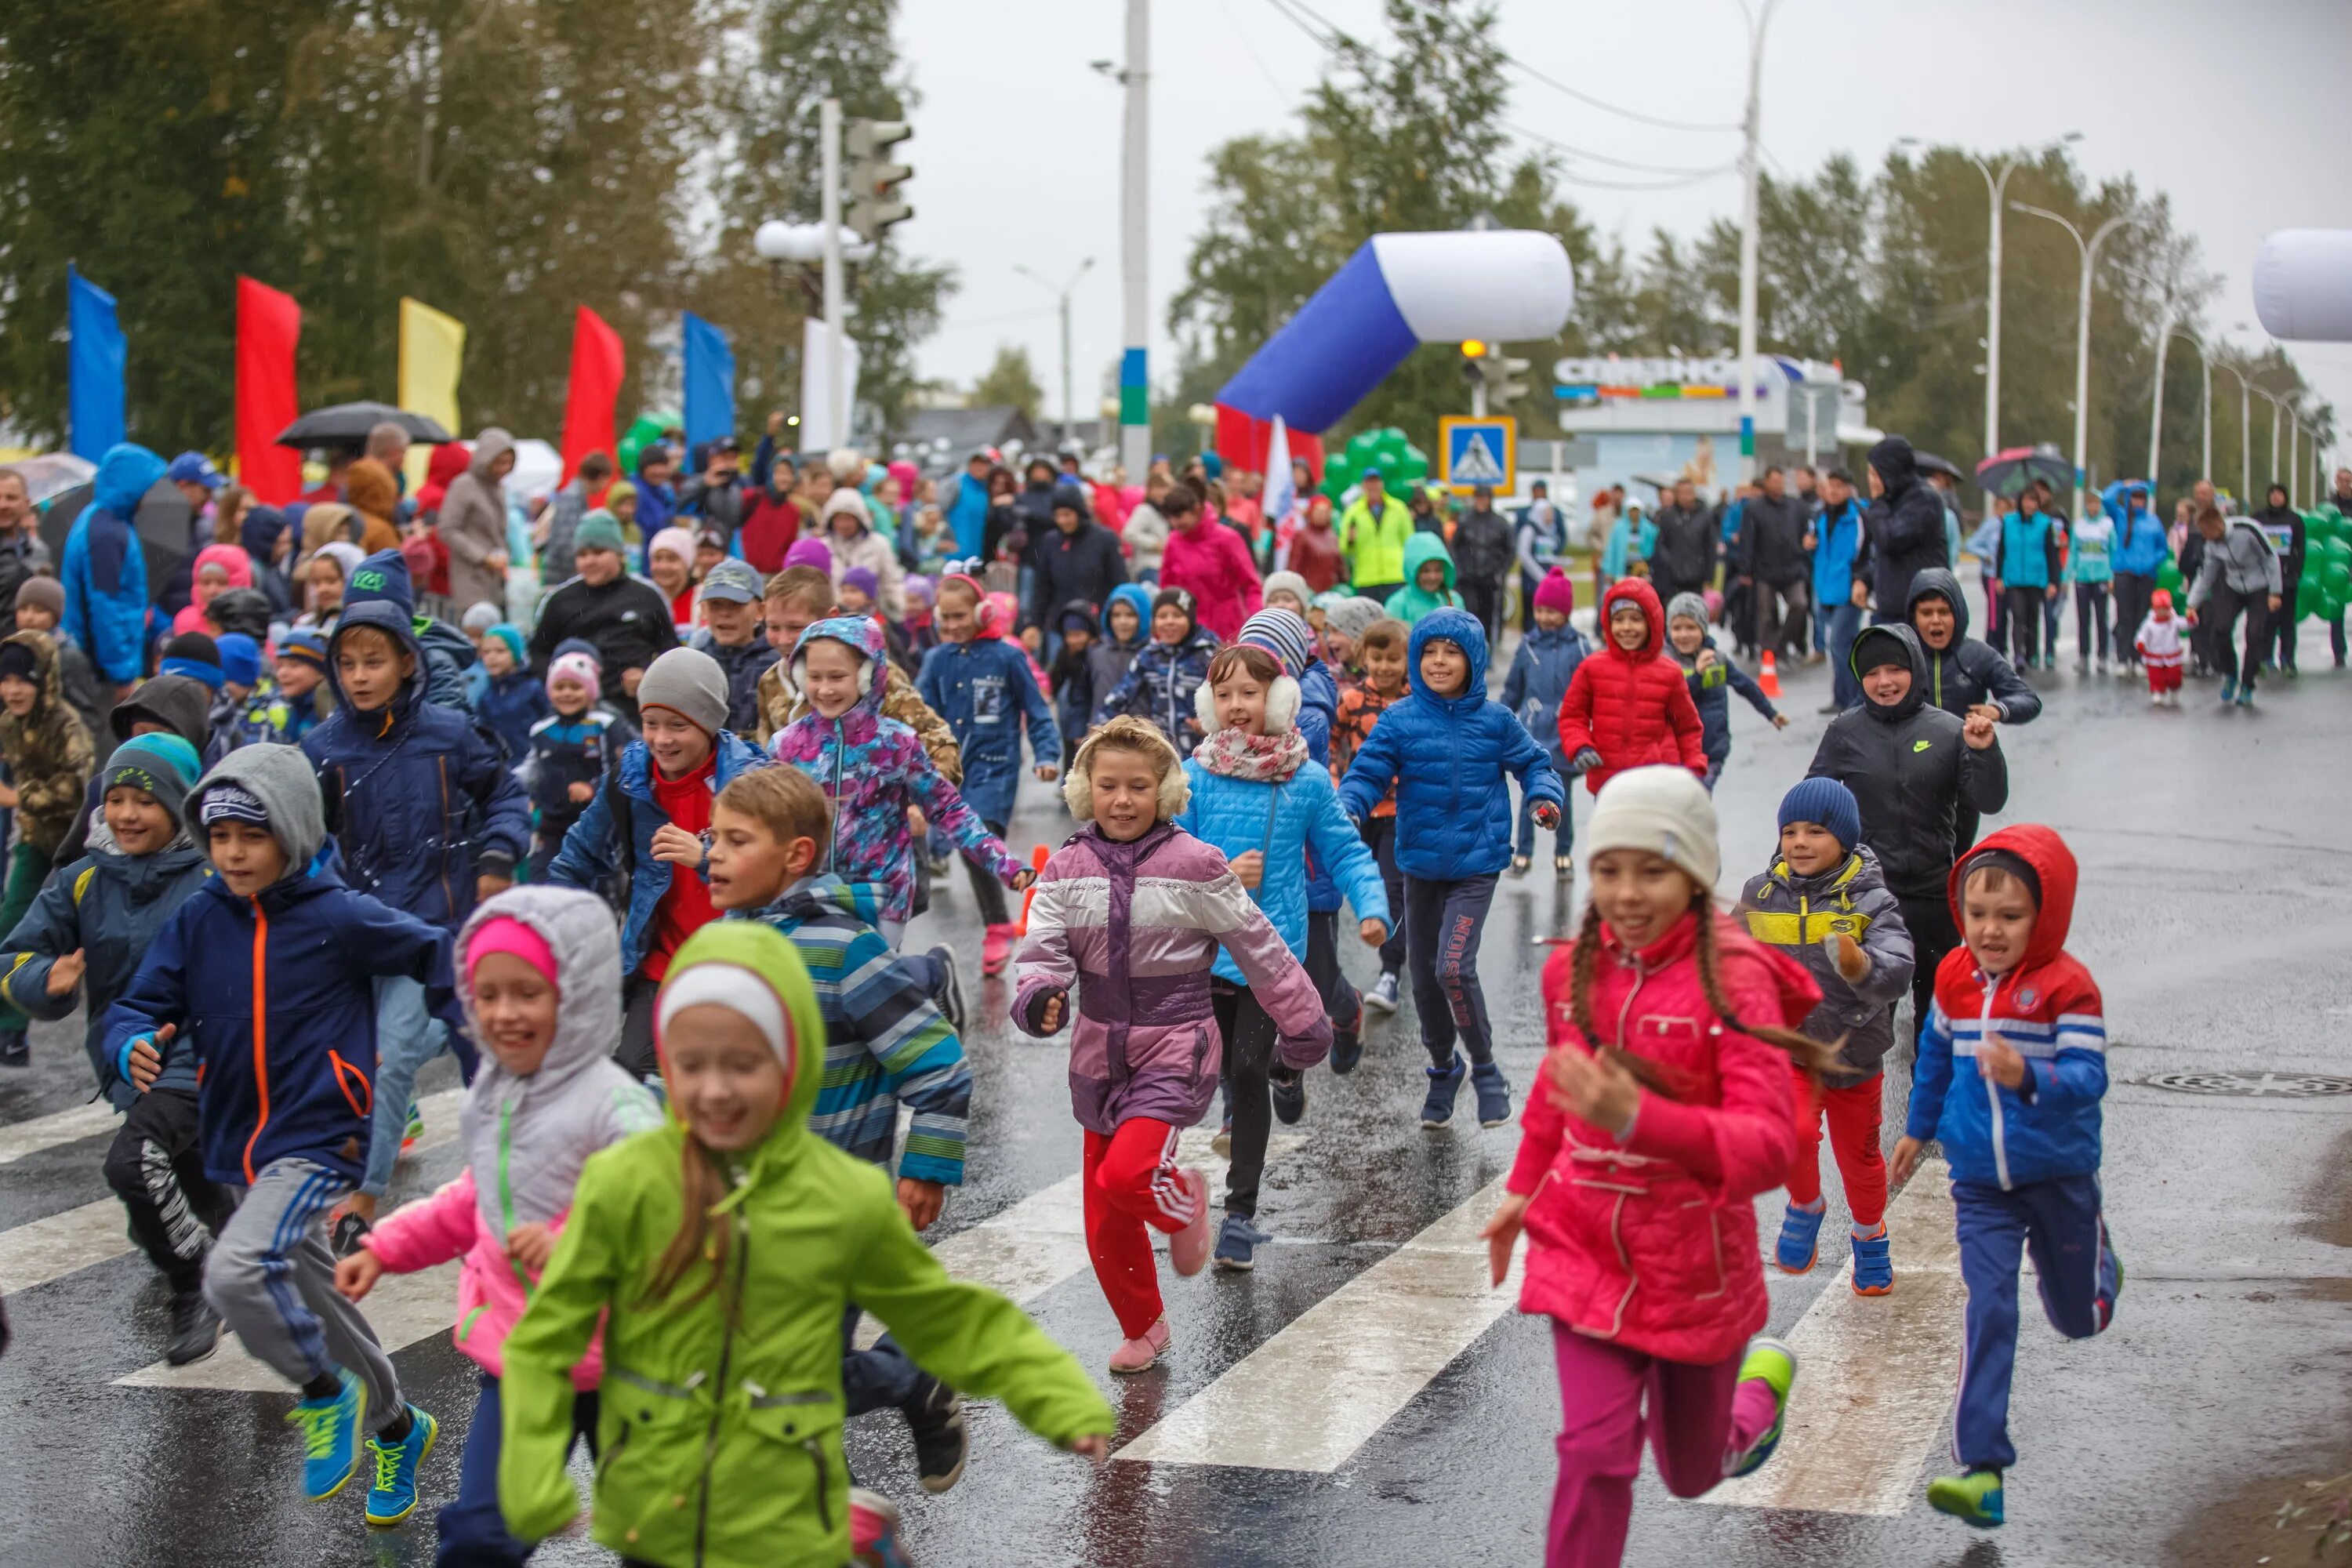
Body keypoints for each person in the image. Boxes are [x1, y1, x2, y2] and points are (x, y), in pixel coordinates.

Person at [494, 920, 1114, 1568]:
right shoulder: (623, 1183)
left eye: (743, 1063)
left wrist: (1054, 1395)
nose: (714, 1088)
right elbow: (548, 1337)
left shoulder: (840, 1197)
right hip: (656, 1517)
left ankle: (851, 1530)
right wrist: (530, 1480)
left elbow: (947, 1316)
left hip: (788, 1520)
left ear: (794, 1063)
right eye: (690, 1063)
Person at [105, 745, 464, 1527]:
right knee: (316, 1292)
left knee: (233, 1275)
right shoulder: (200, 918)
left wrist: (477, 1040)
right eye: (221, 835)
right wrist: (129, 1037)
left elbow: (439, 954)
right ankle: (400, 1426)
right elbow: (141, 1001)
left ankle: (322, 1391)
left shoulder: (338, 916)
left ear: (293, 834)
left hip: (318, 1134)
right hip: (239, 1139)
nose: (233, 853)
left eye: (252, 836)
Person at [1481, 766, 1818, 1568]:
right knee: (1593, 1452)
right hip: (1585, 1241)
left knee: (1693, 1470)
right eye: (1608, 868)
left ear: (1696, 874)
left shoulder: (1734, 981)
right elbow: (1559, 1094)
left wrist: (1639, 1118)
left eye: (1653, 870)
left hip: (1692, 1259)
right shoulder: (1574, 969)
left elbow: (1772, 1140)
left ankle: (1756, 1398)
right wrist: (1523, 1187)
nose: (1626, 893)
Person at [336, 887, 662, 1563]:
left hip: (628, 1355)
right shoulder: (497, 1092)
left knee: (656, 1539)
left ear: (575, 995)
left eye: (528, 993)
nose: (505, 1014)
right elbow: (476, 1197)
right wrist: (386, 1246)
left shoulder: (616, 1106)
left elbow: (655, 1204)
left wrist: (574, 1238)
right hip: (522, 1354)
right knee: (482, 1533)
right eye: (487, 995)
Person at [1016, 717, 1329, 1365]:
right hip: (1099, 1056)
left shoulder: (1196, 865)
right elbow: (1041, 953)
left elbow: (1261, 950)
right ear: (1085, 790)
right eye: (1108, 786)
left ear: (1164, 792)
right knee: (1103, 1212)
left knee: (1130, 1174)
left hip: (1175, 1046)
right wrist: (1039, 997)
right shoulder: (1067, 868)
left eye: (1138, 786)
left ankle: (1185, 1202)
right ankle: (1145, 1326)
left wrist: (1305, 1027)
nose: (1122, 800)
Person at [701, 766, 976, 1494]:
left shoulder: (845, 949)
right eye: (711, 839)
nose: (713, 856)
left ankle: (903, 1380)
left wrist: (926, 1167)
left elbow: (938, 1065)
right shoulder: (719, 947)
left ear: (795, 855)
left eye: (735, 841)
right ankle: (907, 1381)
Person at [1892, 826, 2120, 1529]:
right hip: (1979, 1181)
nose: (1991, 931)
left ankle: (2098, 1266)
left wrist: (2028, 1077)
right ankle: (1982, 1470)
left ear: (2043, 917)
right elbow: (1931, 1056)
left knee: (2075, 1320)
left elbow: (2089, 1078)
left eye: (2011, 916)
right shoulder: (1956, 979)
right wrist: (1918, 1128)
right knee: (1989, 1308)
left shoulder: (2068, 988)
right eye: (1978, 913)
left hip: (2057, 1174)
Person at [303, 550, 528, 1236]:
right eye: (348, 663)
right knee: (396, 1053)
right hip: (361, 931)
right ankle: (373, 1184)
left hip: (442, 925)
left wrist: (496, 857)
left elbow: (507, 797)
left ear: (407, 659)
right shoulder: (323, 746)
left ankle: (380, 1195)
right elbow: (299, 831)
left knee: (436, 1054)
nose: (360, 676)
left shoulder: (450, 734)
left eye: (375, 660)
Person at [1, 734, 224, 1354]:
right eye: (116, 799)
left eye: (145, 802)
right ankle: (251, 1275)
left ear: (181, 808)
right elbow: (16, 953)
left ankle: (193, 1285)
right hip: (130, 1062)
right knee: (190, 1192)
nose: (126, 814)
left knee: (133, 1166)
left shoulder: (216, 874)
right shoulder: (82, 879)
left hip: (203, 1060)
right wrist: (43, 981)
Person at [1178, 644, 1386, 1267]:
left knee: (1245, 1072)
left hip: (1271, 952)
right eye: (1224, 694)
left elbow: (1346, 852)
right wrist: (1218, 870)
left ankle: (1239, 1216)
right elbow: (1166, 854)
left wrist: (1372, 907)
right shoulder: (1193, 775)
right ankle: (1286, 1074)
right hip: (1202, 951)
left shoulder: (1306, 779)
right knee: (1218, 1067)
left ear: (1279, 699)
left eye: (1249, 692)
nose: (1236, 705)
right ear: (1208, 705)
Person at [1338, 608, 1563, 1129]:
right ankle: (1444, 1068)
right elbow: (1368, 770)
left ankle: (1486, 1070)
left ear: (1473, 659)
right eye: (1430, 652)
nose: (1439, 662)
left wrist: (1543, 799)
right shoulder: (1400, 720)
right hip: (1419, 864)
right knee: (1424, 981)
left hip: (1475, 865)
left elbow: (1534, 763)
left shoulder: (1496, 721)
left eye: (1452, 652)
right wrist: (1350, 805)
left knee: (1453, 967)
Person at [544, 647, 760, 1075]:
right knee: (632, 1074)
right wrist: (555, 927)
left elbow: (781, 877)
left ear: (709, 723)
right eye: (650, 723)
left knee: (724, 1088)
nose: (662, 739)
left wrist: (706, 858)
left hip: (739, 963)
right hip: (662, 962)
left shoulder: (751, 780)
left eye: (678, 726)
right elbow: (575, 860)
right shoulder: (631, 777)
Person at [1737, 777, 1915, 1296]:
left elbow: (1899, 967)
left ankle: (1869, 1234)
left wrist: (1861, 965)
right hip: (1789, 1051)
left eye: (1815, 831)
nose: (1799, 842)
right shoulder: (1761, 894)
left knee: (1859, 1160)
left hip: (1854, 1054)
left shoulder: (1871, 899)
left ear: (1843, 837)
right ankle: (1806, 1205)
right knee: (1788, 1135)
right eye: (1790, 831)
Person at [773, 617, 1031, 945]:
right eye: (814, 677)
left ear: (867, 677)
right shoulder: (787, 746)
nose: (825, 689)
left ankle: (932, 976)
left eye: (837, 677)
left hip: (882, 895)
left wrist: (1002, 862)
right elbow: (762, 819)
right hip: (809, 893)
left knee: (868, 988)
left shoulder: (896, 743)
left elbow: (949, 810)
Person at [1807, 622, 2006, 1039]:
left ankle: (1926, 1104)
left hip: (1936, 897)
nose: (1884, 682)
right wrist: (1785, 878)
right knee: (1865, 1025)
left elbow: (1988, 801)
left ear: (1914, 668)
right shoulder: (1845, 732)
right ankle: (1869, 1106)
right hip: (1871, 899)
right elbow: (1810, 810)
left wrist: (1986, 753)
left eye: (1895, 670)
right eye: (1872, 673)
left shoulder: (1949, 730)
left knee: (1937, 1027)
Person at [916, 575, 1062, 973]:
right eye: (945, 618)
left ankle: (997, 926)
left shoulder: (1008, 658)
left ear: (982, 613)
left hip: (995, 769)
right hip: (951, 771)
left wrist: (1046, 755)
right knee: (970, 847)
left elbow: (1037, 712)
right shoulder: (936, 660)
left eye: (960, 616)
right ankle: (997, 921)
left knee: (977, 840)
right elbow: (917, 715)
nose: (952, 625)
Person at [0, 630, 94, 1064]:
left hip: (81, 844)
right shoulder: (9, 723)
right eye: (6, 680)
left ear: (44, 682)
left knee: (98, 939)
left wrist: (21, 797)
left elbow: (78, 786)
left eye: (23, 680)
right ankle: (11, 1033)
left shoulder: (66, 724)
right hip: (36, 841)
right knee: (11, 926)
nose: (13, 690)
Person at [1903, 567, 2038, 850]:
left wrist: (1998, 710)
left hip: (1962, 777)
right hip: (1910, 774)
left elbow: (2028, 700)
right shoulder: (1901, 657)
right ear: (1914, 618)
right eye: (1927, 613)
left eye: (1944, 612)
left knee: (1956, 855)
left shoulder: (1977, 655)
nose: (1936, 621)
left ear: (1958, 614)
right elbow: (1862, 707)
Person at [1555, 579, 1707, 797]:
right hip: (1608, 783)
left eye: (1636, 619)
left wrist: (1693, 769)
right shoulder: (1592, 668)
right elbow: (1572, 716)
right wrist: (1580, 745)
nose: (1626, 627)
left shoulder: (1669, 673)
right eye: (1618, 619)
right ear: (1608, 623)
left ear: (1652, 622)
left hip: (1657, 783)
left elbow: (1686, 728)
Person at [526, 510, 680, 723]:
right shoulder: (560, 600)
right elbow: (538, 652)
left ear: (619, 553)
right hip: (576, 713)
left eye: (598, 552)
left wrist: (648, 676)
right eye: (582, 554)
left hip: (634, 710)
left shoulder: (647, 596)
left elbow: (671, 652)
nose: (589, 561)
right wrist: (561, 684)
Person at [1332, 618, 1412, 1008]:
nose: (1384, 667)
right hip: (1360, 811)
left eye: (1393, 659)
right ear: (1364, 657)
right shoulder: (1350, 701)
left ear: (1407, 661)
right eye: (1376, 658)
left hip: (1402, 811)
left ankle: (1390, 972)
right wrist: (1335, 784)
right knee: (1358, 887)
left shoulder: (1415, 702)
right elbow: (1332, 745)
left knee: (1390, 888)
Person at [1500, 568, 1588, 876]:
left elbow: (1592, 690)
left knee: (1561, 796)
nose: (1545, 617)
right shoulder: (1527, 646)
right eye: (1540, 610)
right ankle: (1524, 851)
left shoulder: (1579, 647)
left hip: (1564, 733)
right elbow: (1513, 688)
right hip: (1533, 732)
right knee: (1531, 794)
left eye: (1552, 611)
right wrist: (1499, 718)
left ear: (1565, 612)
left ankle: (1563, 853)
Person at [63, 442, 165, 701]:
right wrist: (121, 674)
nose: (149, 494)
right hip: (100, 671)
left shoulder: (103, 520)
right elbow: (107, 606)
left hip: (99, 664)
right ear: (132, 484)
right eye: (146, 486)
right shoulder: (106, 532)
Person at [1664, 592, 1786, 792]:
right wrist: (1697, 675)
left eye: (1691, 627)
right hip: (1678, 750)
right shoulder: (1667, 663)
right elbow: (1672, 701)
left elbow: (1745, 686)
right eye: (1677, 628)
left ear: (1703, 629)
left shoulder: (1717, 660)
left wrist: (1770, 712)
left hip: (1712, 749)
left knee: (1699, 797)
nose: (1684, 634)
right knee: (1684, 802)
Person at [1094, 586, 1220, 760]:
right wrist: (1101, 726)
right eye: (1162, 616)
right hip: (1162, 752)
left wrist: (1212, 723)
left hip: (1204, 751)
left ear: (1190, 619)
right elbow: (1121, 695)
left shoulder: (1210, 653)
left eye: (1177, 615)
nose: (1169, 622)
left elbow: (1224, 695)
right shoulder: (1149, 656)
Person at [2184, 500, 2283, 708]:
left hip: (2260, 585)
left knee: (2255, 633)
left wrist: (2275, 591)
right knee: (2221, 628)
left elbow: (2271, 558)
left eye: (2207, 531)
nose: (2205, 536)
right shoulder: (2210, 545)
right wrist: (2192, 603)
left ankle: (2248, 683)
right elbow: (2206, 575)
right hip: (2233, 586)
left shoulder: (2247, 530)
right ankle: (2230, 673)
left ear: (2217, 525)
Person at [1851, 437, 1949, 624]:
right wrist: (1864, 579)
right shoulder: (1890, 501)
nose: (1871, 481)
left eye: (1875, 474)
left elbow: (1890, 540)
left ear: (1890, 472)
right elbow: (1879, 552)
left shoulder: (1923, 500)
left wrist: (1878, 502)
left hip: (1920, 611)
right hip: (1888, 609)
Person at [1024, 485, 1127, 651]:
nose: (1062, 521)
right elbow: (1042, 588)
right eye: (1058, 516)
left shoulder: (1105, 539)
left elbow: (1120, 583)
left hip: (1096, 625)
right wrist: (1034, 624)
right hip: (1060, 626)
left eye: (1067, 515)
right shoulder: (1050, 542)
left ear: (1079, 512)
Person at [1160, 479, 1261, 642]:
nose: (1174, 523)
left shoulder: (1227, 538)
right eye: (1170, 518)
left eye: (1178, 516)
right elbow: (1167, 588)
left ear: (1197, 509)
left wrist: (1257, 624)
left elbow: (1251, 585)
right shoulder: (1173, 541)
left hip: (1226, 629)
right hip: (1187, 630)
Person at [688, 558, 778, 735]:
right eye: (716, 604)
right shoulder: (696, 660)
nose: (725, 613)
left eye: (736, 604)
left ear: (760, 611)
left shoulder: (775, 662)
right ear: (704, 610)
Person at [14, 575, 105, 747]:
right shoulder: (12, 651)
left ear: (55, 617)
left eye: (39, 610)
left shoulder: (69, 657)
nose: (29, 617)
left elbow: (87, 718)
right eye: (24, 609)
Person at [1737, 466, 1811, 662]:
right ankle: (1767, 651)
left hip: (1793, 568)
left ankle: (1782, 643)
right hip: (1765, 570)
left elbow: (1808, 532)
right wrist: (1745, 568)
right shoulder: (1754, 509)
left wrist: (1806, 550)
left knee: (1800, 605)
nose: (1778, 485)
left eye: (1781, 481)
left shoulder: (1796, 507)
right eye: (1774, 481)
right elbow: (1747, 539)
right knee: (1765, 614)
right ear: (1766, 482)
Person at [1809, 469, 1867, 711]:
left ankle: (1847, 699)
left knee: (1839, 642)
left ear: (1849, 489)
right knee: (1846, 644)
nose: (1833, 491)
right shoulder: (1821, 516)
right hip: (1826, 589)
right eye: (1829, 486)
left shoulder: (1860, 517)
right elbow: (1820, 552)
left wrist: (1860, 580)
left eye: (1839, 486)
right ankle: (1850, 697)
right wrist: (1808, 546)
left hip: (1849, 589)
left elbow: (1866, 553)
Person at [2103, 481, 2170, 673]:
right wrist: (2122, 486)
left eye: (2141, 498)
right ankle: (2123, 658)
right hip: (2125, 572)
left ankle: (2139, 657)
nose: (2138, 502)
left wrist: (2152, 561)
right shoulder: (2121, 516)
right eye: (2135, 497)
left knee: (2143, 616)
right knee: (2125, 615)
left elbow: (2163, 548)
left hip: (2147, 574)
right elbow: (2106, 499)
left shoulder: (2154, 521)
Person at [1991, 486, 2061, 668]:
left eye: (2034, 501)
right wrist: (1999, 577)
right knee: (2018, 615)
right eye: (2027, 501)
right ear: (2020, 502)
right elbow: (2001, 551)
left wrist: (2054, 582)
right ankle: (2018, 655)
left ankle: (2032, 653)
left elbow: (2052, 554)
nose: (2030, 505)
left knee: (2033, 617)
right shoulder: (2009, 522)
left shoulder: (2045, 524)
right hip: (2014, 578)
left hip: (2036, 578)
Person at [819, 489, 906, 621]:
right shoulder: (823, 547)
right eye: (839, 519)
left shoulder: (879, 544)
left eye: (849, 519)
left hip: (870, 617)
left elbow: (891, 581)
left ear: (860, 519)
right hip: (832, 617)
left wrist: (900, 612)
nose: (844, 524)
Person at [473, 623, 550, 764]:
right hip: (500, 770)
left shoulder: (533, 688)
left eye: (500, 651)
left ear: (516, 653)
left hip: (532, 766)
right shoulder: (487, 696)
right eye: (486, 652)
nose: (492, 657)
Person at [2252, 482, 2306, 676]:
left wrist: (2297, 572)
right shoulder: (2259, 519)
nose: (2276, 497)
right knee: (2266, 621)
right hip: (2264, 579)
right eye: (2272, 494)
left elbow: (2301, 548)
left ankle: (2288, 659)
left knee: (2287, 622)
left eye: (2279, 494)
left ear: (2285, 497)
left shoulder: (2295, 520)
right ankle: (2265, 658)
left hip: (2287, 578)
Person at [1451, 485, 1515, 641]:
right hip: (1469, 578)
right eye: (1479, 498)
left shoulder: (1500, 523)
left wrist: (1501, 573)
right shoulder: (1465, 520)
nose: (1481, 502)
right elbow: (1454, 546)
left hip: (1491, 578)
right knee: (1470, 612)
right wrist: (1459, 570)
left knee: (1491, 615)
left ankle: (1490, 647)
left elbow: (1511, 550)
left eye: (1484, 498)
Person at [1338, 469, 1414, 601]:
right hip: (1366, 577)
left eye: (1376, 482)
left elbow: (1410, 541)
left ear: (1382, 484)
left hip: (1395, 574)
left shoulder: (1398, 508)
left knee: (1394, 617)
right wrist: (1350, 540)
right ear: (1363, 486)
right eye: (1369, 483)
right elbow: (1344, 548)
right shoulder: (1353, 512)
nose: (1373, 487)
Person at [2064, 483, 2116, 674]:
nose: (2093, 507)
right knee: (2083, 618)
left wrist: (2112, 577)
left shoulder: (2108, 525)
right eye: (2090, 504)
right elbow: (2073, 553)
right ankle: (2083, 655)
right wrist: (2066, 577)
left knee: (2101, 618)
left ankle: (2102, 655)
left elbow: (2113, 552)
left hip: (2102, 577)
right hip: (2083, 578)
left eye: (2096, 504)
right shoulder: (2078, 525)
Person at [1086, 582, 1155, 717]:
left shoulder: (1154, 655)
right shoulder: (1097, 654)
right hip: (1103, 733)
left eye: (1130, 615)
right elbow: (1083, 697)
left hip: (1142, 734)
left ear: (1144, 616)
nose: (1122, 621)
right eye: (1116, 615)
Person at [1648, 477, 1716, 608]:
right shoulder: (1668, 516)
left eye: (1688, 492)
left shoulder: (1705, 516)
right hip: (1672, 580)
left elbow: (1710, 548)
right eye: (1681, 492)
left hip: (1697, 578)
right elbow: (1661, 545)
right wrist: (1671, 563)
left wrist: (1709, 577)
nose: (1685, 496)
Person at [1514, 479, 1569, 633]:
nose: (1551, 516)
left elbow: (1549, 554)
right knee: (1531, 612)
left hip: (1546, 577)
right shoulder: (1529, 530)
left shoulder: (1548, 531)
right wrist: (1540, 576)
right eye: (1548, 512)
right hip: (1531, 580)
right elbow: (1524, 554)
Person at [1383, 531, 1465, 626]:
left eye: (1438, 570)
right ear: (1413, 572)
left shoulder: (1454, 600)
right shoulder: (1398, 604)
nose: (1433, 577)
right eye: (1426, 571)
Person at [677, 435, 747, 532]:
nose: (729, 462)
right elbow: (681, 511)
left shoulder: (739, 486)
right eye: (725, 457)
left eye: (733, 457)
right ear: (711, 458)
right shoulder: (694, 482)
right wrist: (705, 486)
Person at [2134, 588, 2187, 706]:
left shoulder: (2174, 621)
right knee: (2155, 676)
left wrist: (2191, 619)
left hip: (2172, 654)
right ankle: (2157, 692)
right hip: (2155, 656)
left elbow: (2186, 625)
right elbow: (2142, 634)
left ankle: (2174, 691)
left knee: (2174, 677)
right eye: (2160, 609)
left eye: (2165, 609)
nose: (2162, 612)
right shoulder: (2149, 623)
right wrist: (2141, 643)